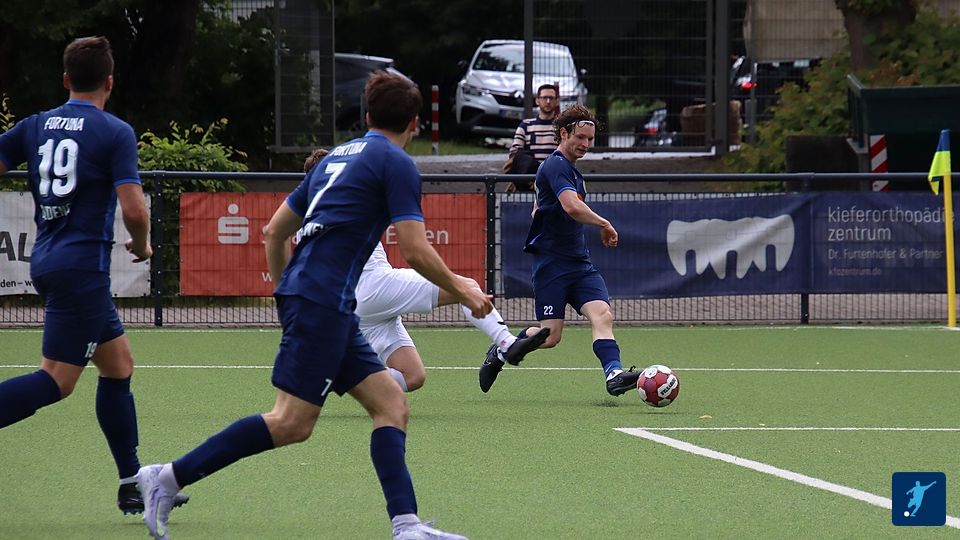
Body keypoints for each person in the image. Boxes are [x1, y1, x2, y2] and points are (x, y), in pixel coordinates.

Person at [136, 71, 493, 540]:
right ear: (414, 124)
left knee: (391, 403)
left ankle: (407, 526)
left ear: (367, 115)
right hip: (323, 301)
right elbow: (414, 248)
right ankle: (166, 478)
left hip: (322, 301)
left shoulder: (335, 157)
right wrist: (463, 289)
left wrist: (288, 293)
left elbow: (273, 232)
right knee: (291, 422)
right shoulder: (397, 163)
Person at [0, 36, 188, 515]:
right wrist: (143, 246)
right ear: (110, 81)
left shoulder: (35, 125)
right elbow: (135, 210)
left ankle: (132, 484)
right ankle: (135, 485)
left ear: (66, 79)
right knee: (56, 381)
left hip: (51, 260)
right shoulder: (114, 131)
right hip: (80, 269)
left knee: (118, 365)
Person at [302, 148, 549, 392]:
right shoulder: (343, 201)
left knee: (413, 376)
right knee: (467, 288)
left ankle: (339, 376)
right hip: (374, 286)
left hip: (357, 305)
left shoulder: (314, 215)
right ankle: (506, 342)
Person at [479, 104, 641, 396]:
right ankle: (501, 350)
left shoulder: (570, 171)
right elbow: (571, 206)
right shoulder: (555, 165)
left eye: (590, 139)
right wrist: (604, 223)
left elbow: (540, 207)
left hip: (579, 264)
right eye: (580, 137)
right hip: (552, 265)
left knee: (603, 315)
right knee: (551, 336)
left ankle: (614, 374)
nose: (585, 144)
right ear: (563, 133)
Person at [503, 83, 560, 192]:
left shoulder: (562, 127)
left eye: (551, 98)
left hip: (554, 181)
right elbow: (515, 153)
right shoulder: (525, 125)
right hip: (528, 181)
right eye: (544, 98)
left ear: (557, 101)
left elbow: (566, 156)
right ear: (537, 100)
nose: (548, 101)